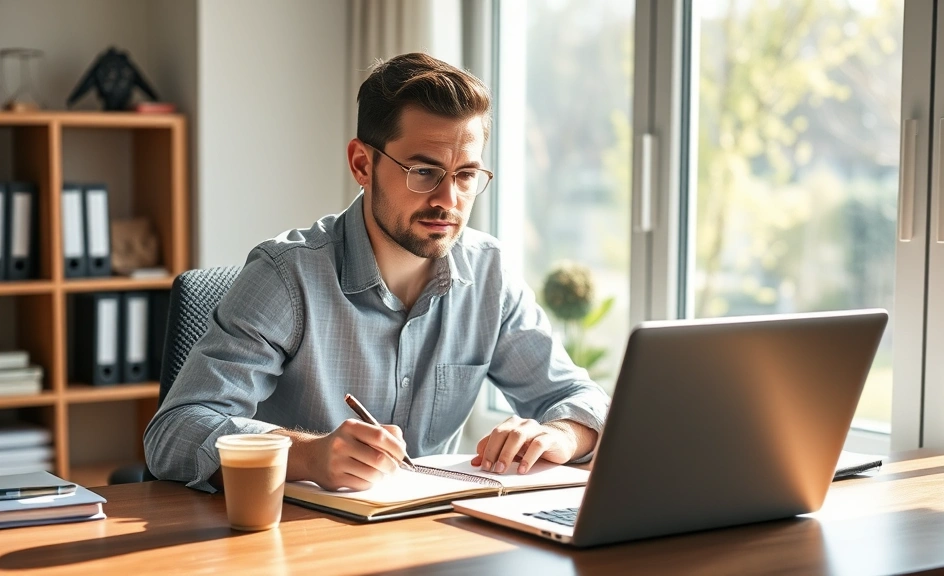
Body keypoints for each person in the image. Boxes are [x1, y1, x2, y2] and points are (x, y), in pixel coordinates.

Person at [143, 52, 609, 493]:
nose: (448, 201)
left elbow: (579, 397)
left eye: (466, 175)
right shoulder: (286, 277)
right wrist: (307, 456)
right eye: (425, 172)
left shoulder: (490, 274)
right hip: (295, 540)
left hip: (429, 536)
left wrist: (562, 436)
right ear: (363, 164)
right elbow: (175, 431)